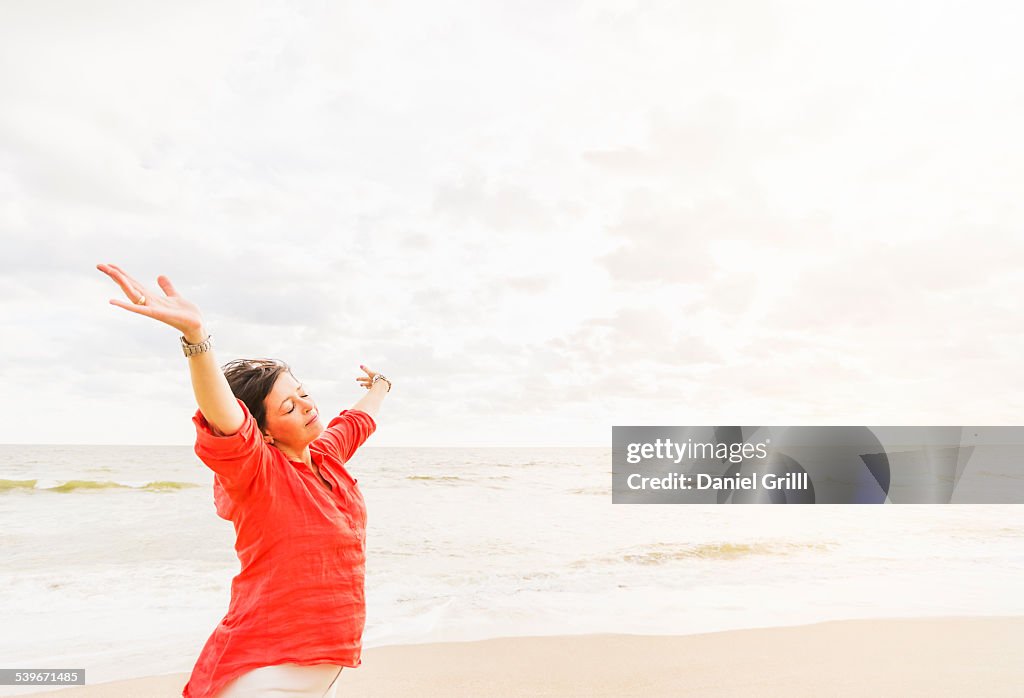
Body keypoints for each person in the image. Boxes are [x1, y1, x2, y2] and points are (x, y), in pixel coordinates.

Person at [97, 263, 391, 698]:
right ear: (265, 430)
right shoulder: (258, 471)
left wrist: (383, 384)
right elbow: (227, 419)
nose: (307, 406)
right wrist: (197, 340)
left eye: (303, 393)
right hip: (263, 672)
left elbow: (358, 419)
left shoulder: (326, 457)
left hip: (316, 671)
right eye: (288, 408)